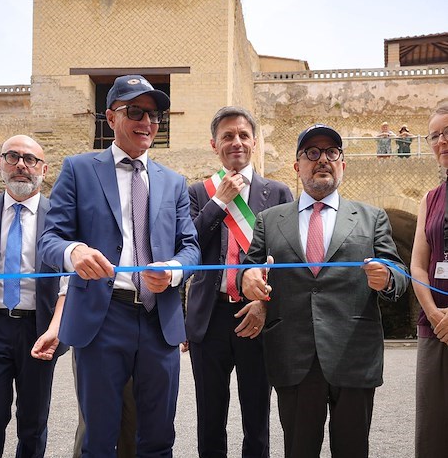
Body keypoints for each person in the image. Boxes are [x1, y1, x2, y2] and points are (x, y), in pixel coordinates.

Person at [38, 75, 201, 457]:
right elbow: (50, 239)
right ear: (111, 117)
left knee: (159, 436)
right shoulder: (78, 169)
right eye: (136, 112)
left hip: (158, 319)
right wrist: (74, 251)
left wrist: (174, 271)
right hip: (102, 318)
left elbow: (191, 246)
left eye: (155, 114)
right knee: (99, 435)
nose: (147, 122)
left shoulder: (174, 182)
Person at [238, 123, 409, 458]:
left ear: (343, 164)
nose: (323, 160)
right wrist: (248, 280)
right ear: (297, 166)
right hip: (294, 355)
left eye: (332, 153)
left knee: (352, 450)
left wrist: (387, 278)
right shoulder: (269, 220)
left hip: (354, 355)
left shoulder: (371, 218)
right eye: (312, 153)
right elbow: (249, 267)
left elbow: (399, 272)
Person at [186, 106, 293, 457]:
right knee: (210, 419)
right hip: (209, 317)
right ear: (214, 144)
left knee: (257, 419)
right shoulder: (198, 193)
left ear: (255, 142)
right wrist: (220, 202)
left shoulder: (277, 193)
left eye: (243, 135)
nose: (236, 142)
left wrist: (265, 304)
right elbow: (189, 245)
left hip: (257, 315)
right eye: (227, 136)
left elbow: (287, 260)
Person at [0, 134, 68, 458]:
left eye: (30, 159)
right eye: (12, 157)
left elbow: (67, 278)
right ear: (0, 164)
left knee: (33, 423)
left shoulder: (60, 218)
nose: (21, 165)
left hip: (38, 329)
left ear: (44, 169)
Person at [410, 105, 448, 458]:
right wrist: (436, 315)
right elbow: (418, 266)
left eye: (446, 131)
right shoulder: (430, 199)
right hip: (435, 327)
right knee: (433, 428)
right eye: (434, 135)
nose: (442, 141)